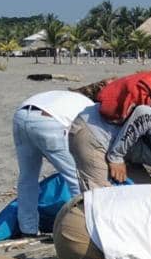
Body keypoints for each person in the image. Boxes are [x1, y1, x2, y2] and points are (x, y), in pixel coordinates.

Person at [11, 89, 94, 236]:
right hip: (49, 121)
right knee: (75, 177)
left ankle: (28, 229)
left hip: (20, 116)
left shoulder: (64, 96)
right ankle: (83, 226)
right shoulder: (90, 106)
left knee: (27, 177)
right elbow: (87, 138)